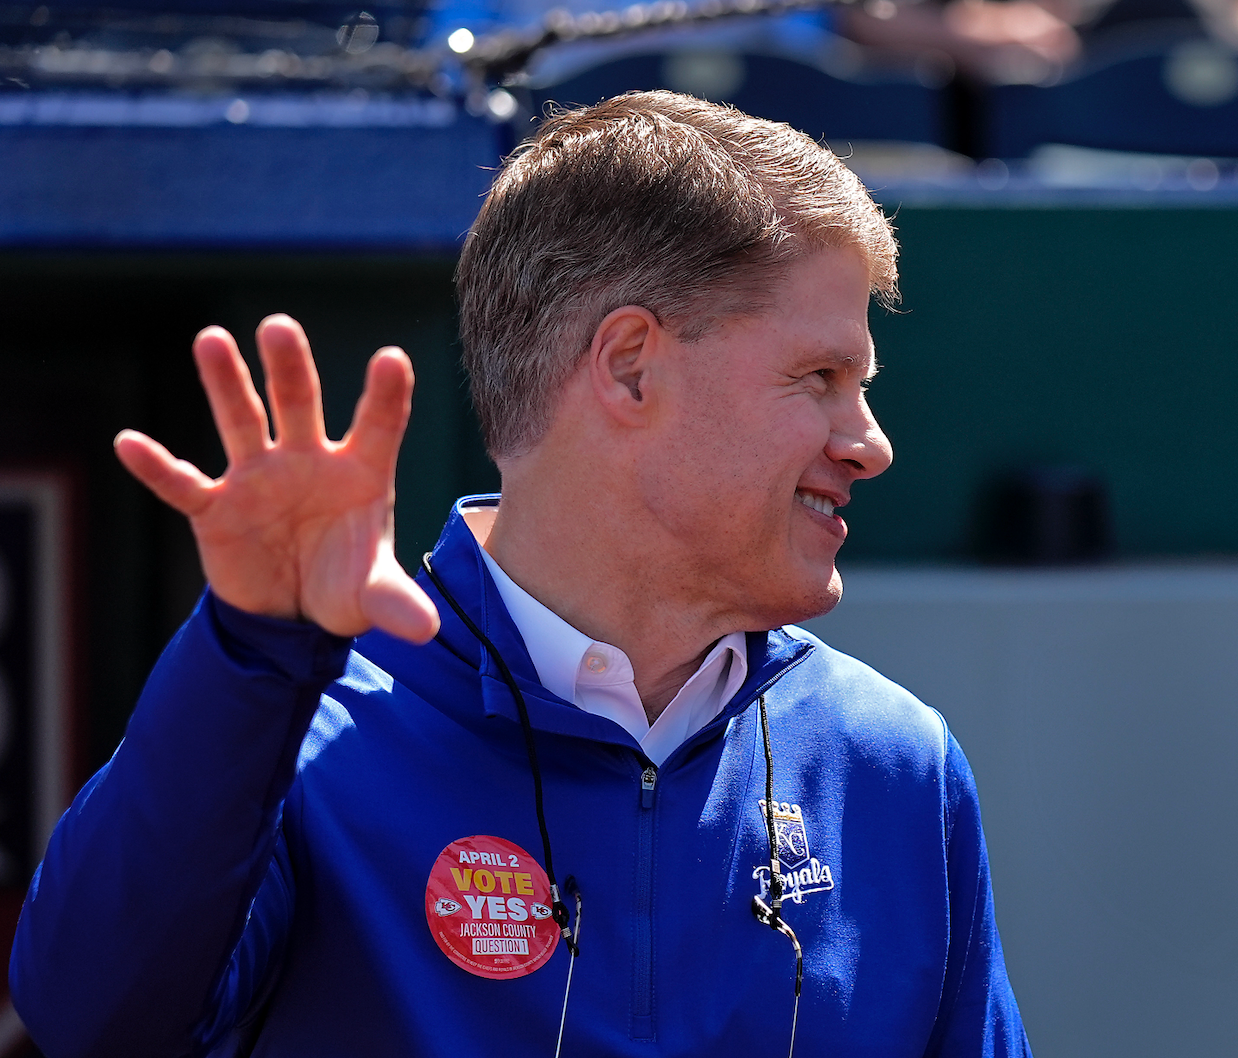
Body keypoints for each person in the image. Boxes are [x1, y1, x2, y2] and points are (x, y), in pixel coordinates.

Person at [9, 91, 1032, 1058]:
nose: (869, 443)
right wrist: (250, 649)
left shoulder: (895, 765)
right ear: (629, 364)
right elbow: (91, 1020)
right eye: (819, 378)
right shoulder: (301, 739)